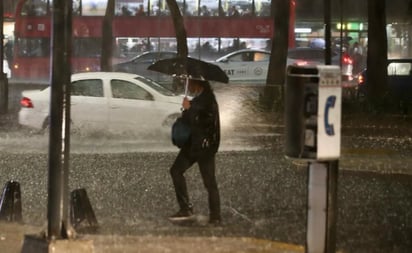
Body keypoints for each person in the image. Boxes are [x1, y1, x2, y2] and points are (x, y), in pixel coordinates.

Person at [168, 78, 221, 226]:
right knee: (176, 171)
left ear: (198, 83)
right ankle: (185, 208)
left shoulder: (208, 99)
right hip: (192, 145)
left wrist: (189, 108)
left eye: (190, 82)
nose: (188, 85)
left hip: (204, 147)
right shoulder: (199, 98)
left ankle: (215, 217)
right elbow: (191, 120)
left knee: (210, 183)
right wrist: (186, 109)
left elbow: (204, 122)